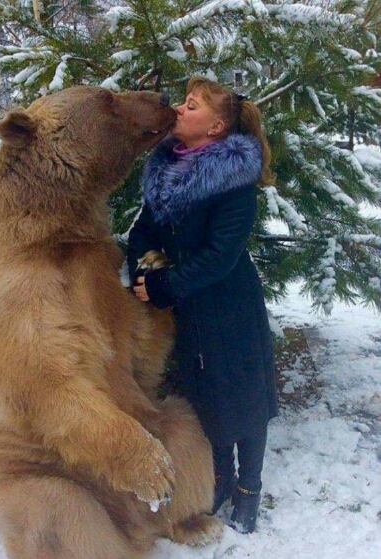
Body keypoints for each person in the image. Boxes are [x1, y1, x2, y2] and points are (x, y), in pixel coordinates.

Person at [127, 76, 278, 534]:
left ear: (214, 128)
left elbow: (220, 256)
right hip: (187, 308)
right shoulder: (166, 168)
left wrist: (164, 285)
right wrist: (142, 270)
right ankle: (221, 475)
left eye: (190, 106)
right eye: (183, 101)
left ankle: (249, 487)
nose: (179, 108)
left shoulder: (234, 181)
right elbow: (143, 231)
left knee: (244, 397)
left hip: (229, 307)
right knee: (205, 395)